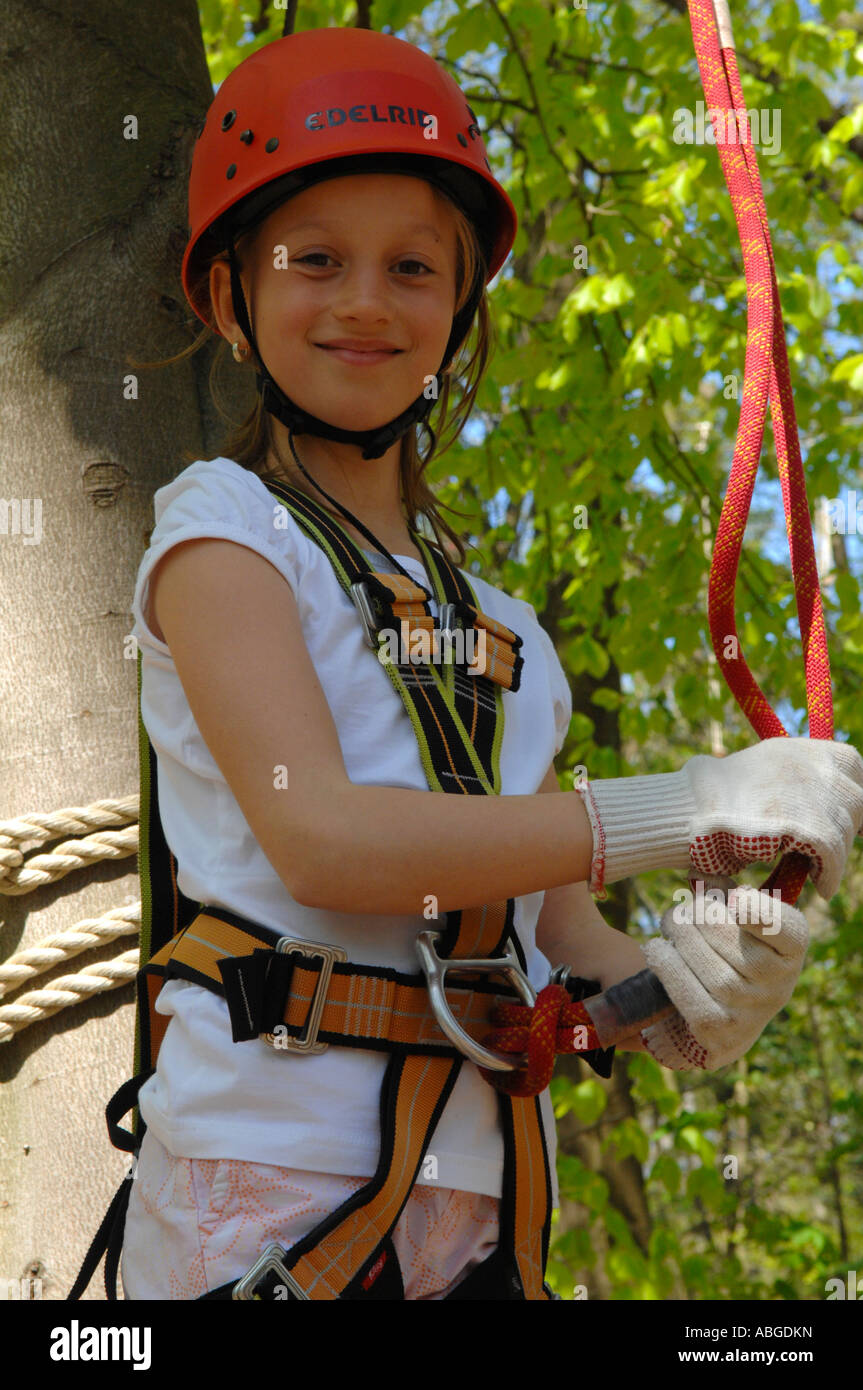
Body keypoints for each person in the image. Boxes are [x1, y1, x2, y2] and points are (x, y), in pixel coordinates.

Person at [118, 27, 863, 1301]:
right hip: (266, 1177)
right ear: (228, 302)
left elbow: (548, 928)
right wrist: (683, 806)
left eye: (413, 266)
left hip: (486, 1198)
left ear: (458, 304)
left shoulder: (503, 625)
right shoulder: (220, 530)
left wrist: (671, 998)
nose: (365, 300)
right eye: (313, 260)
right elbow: (326, 842)